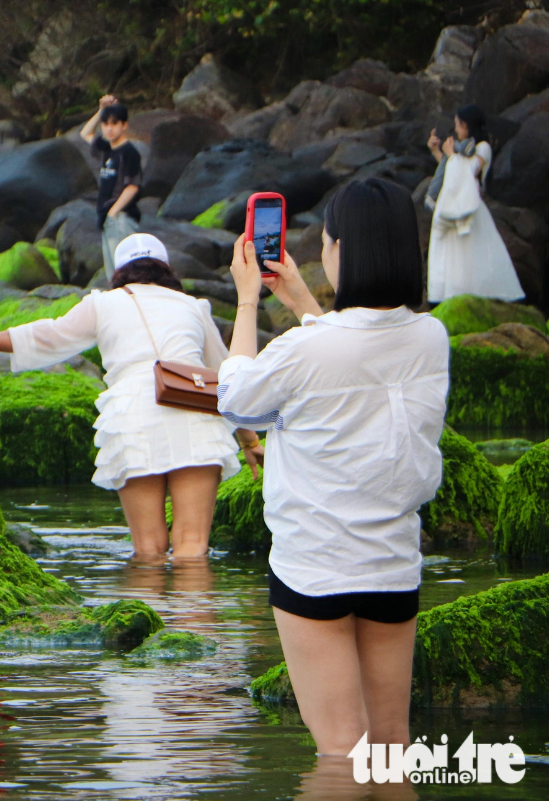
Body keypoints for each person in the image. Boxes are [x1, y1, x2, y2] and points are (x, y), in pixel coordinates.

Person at [218, 178, 449, 757]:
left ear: (341, 250)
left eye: (325, 240)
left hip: (315, 568)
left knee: (342, 751)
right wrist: (303, 304)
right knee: (391, 744)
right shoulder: (432, 336)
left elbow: (238, 399)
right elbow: (356, 355)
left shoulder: (307, 350)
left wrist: (248, 300)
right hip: (393, 566)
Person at [0, 233, 260, 559]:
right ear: (166, 269)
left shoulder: (103, 303)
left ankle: (150, 608)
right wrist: (250, 441)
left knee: (149, 550)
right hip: (193, 413)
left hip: (132, 416)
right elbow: (226, 375)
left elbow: (51, 335)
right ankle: (193, 611)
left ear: (119, 271)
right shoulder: (193, 306)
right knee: (193, 546)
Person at [425, 104, 523, 303]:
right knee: (453, 259)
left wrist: (451, 155)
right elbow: (451, 174)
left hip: (470, 210)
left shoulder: (482, 148)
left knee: (475, 257)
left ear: (467, 126)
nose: (456, 130)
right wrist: (438, 153)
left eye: (458, 125)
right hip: (453, 208)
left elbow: (467, 174)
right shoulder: (461, 150)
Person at [80, 95, 143, 283]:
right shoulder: (107, 149)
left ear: (124, 125)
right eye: (105, 124)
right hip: (108, 218)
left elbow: (132, 186)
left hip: (121, 218)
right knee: (113, 275)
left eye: (114, 123)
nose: (109, 128)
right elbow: (85, 133)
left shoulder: (129, 152)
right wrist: (101, 111)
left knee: (126, 272)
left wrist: (114, 212)